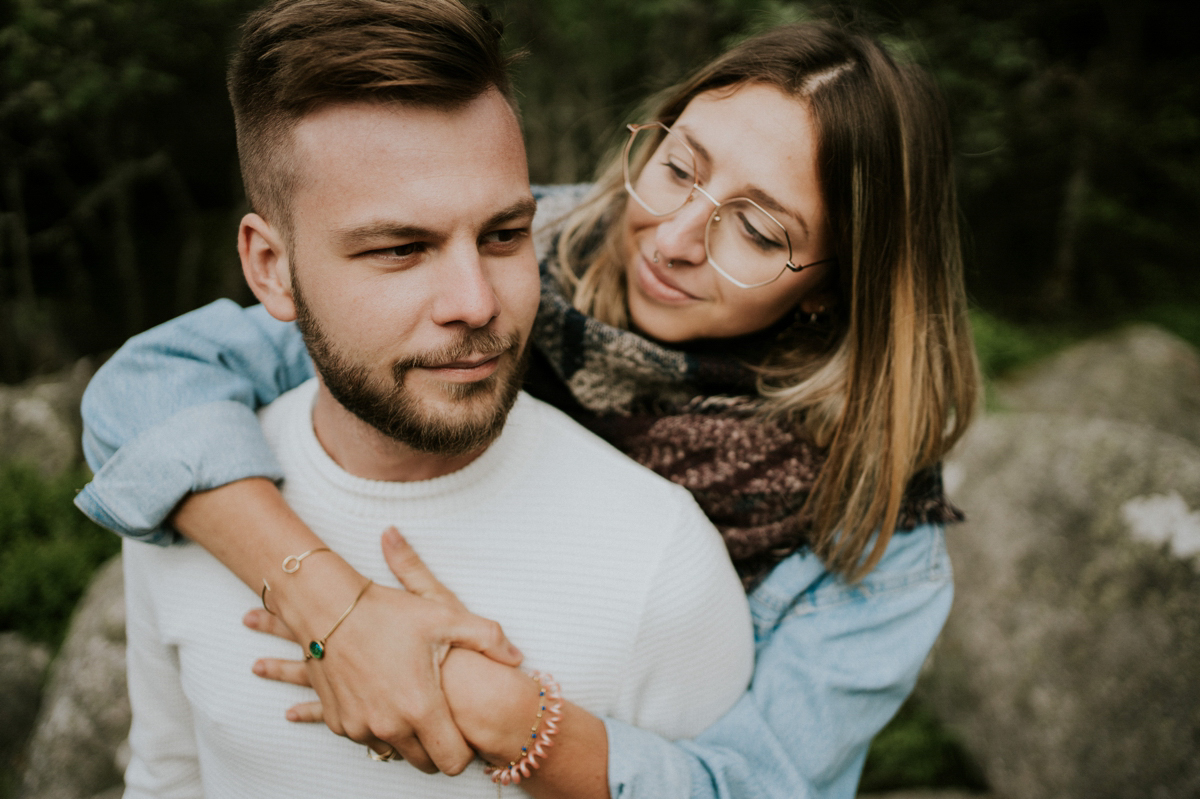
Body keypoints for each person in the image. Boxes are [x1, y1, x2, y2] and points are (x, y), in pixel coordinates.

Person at [76, 11, 980, 799]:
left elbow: (760, 784)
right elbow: (153, 383)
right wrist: (335, 609)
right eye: (678, 166)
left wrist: (516, 719)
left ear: (835, 286)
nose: (670, 238)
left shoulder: (872, 533)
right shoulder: (522, 252)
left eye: (757, 228)